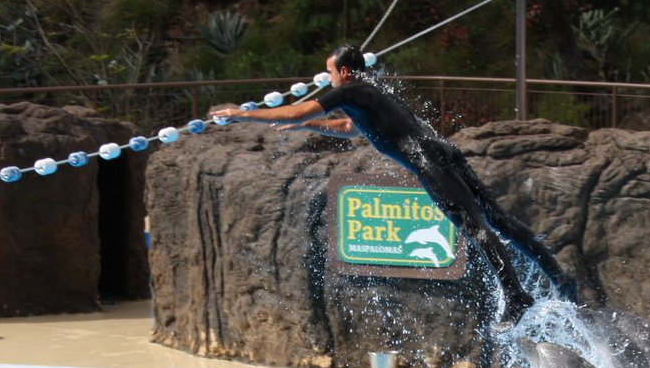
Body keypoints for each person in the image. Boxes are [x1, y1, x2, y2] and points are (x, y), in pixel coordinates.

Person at [209, 45, 576, 329]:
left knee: (475, 227)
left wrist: (241, 113)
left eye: (329, 72)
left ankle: (516, 297)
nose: (327, 78)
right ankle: (560, 278)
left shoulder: (350, 90)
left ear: (345, 71)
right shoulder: (371, 92)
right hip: (442, 152)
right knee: (496, 219)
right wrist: (307, 127)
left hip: (427, 162)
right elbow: (350, 129)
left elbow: (297, 110)